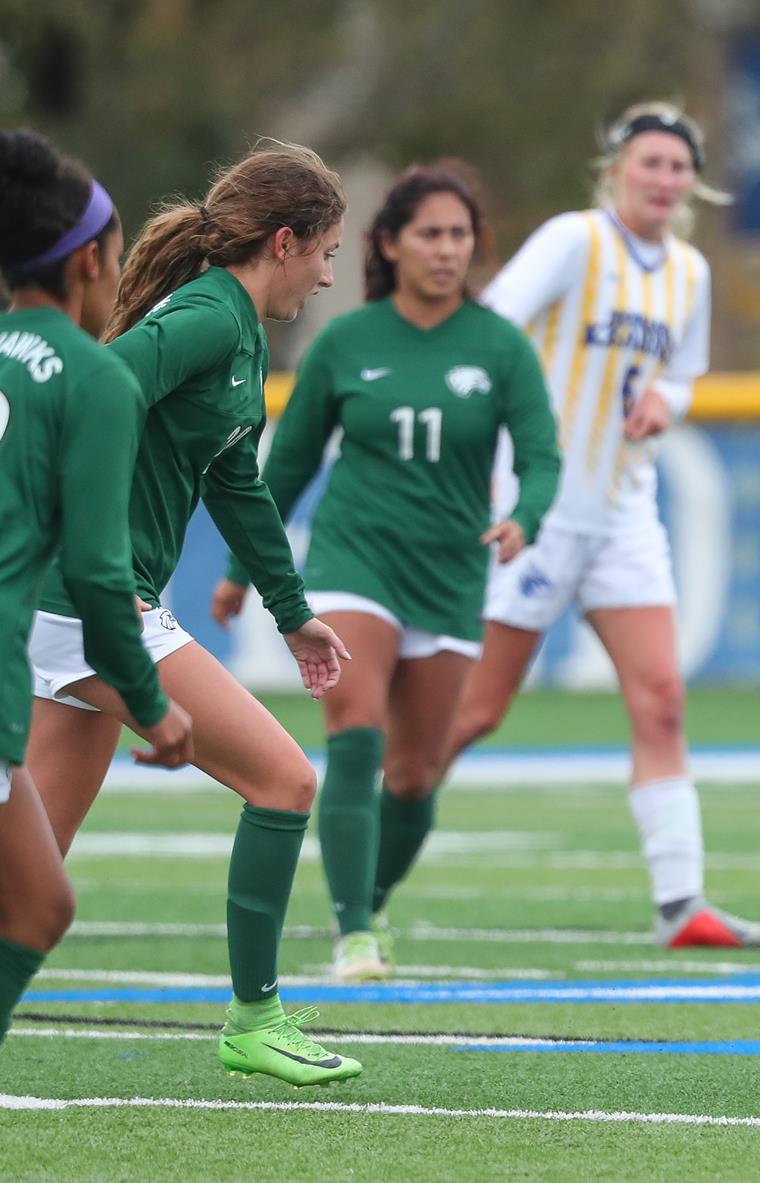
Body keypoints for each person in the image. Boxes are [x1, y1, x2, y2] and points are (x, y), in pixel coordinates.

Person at [24, 141, 363, 1086]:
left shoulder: (239, 328)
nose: (333, 274)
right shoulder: (214, 317)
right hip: (92, 603)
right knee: (288, 782)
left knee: (33, 870)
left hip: (76, 605)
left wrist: (292, 612)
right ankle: (255, 1017)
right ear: (285, 242)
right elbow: (97, 386)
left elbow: (231, 480)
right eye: (328, 251)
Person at [425, 101, 760, 950]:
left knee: (660, 701)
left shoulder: (688, 270)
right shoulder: (575, 241)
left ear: (693, 183)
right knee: (473, 711)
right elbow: (493, 323)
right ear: (617, 168)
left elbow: (684, 375)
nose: (663, 179)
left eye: (678, 168)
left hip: (622, 511)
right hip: (535, 508)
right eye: (649, 163)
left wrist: (667, 399)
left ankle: (681, 901)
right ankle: (362, 850)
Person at [211, 164, 562, 981]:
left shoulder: (500, 346)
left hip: (449, 573)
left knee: (414, 775)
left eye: (460, 234)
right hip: (353, 557)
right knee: (356, 733)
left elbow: (543, 456)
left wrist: (526, 516)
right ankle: (353, 932)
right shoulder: (345, 342)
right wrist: (238, 570)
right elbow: (285, 466)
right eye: (430, 233)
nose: (447, 249)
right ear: (389, 244)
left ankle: (366, 895)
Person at [0, 129, 194, 1050]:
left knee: (38, 903)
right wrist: (153, 707)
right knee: (34, 906)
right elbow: (95, 571)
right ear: (89, 260)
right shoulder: (93, 377)